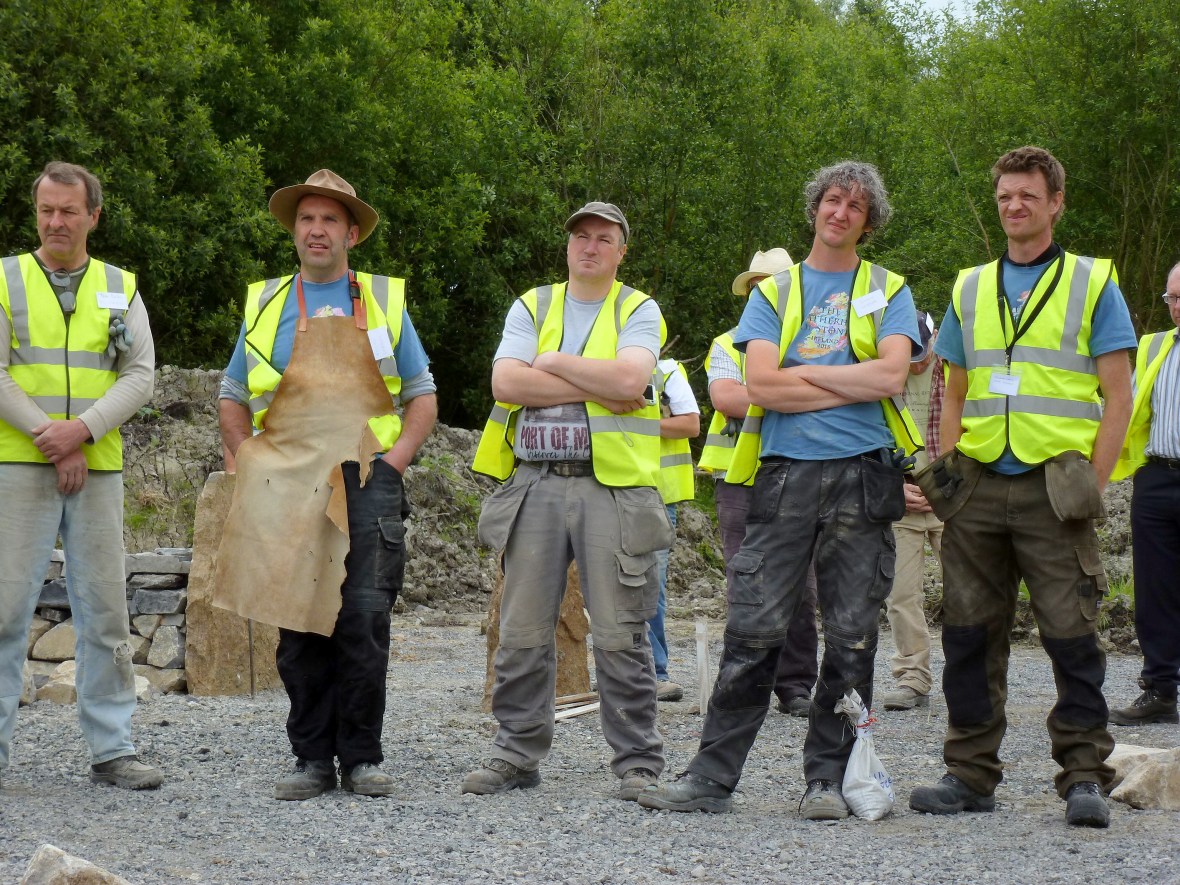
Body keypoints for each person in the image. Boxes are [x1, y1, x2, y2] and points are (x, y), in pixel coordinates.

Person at [640, 161, 921, 820]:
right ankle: (711, 775)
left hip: (863, 476)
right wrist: (849, 374)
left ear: (868, 221)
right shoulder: (775, 293)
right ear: (814, 207)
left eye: (856, 205)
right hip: (785, 473)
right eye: (832, 198)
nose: (841, 211)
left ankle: (828, 777)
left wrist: (811, 375)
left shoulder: (889, 288)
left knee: (852, 637)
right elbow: (760, 385)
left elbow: (891, 378)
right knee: (754, 630)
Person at [909, 146, 1136, 829]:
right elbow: (953, 388)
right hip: (978, 487)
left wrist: (1091, 484)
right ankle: (970, 773)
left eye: (1028, 195)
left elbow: (1119, 395)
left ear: (1055, 201)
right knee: (971, 638)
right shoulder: (971, 286)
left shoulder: (1094, 283)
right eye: (1005, 195)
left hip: (1054, 488)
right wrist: (948, 474)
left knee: (1072, 637)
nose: (1014, 205)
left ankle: (1085, 776)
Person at [216, 170, 437, 800]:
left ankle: (362, 757)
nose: (317, 230)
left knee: (364, 617)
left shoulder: (386, 303)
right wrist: (242, 459)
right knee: (300, 622)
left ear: (352, 233)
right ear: (295, 230)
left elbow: (422, 394)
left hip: (368, 479)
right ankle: (312, 758)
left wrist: (395, 460)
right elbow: (232, 395)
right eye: (307, 219)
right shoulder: (264, 305)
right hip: (286, 485)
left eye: (330, 220)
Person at [467, 201, 668, 801]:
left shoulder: (638, 307)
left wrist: (549, 364)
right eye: (581, 236)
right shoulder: (534, 304)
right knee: (522, 628)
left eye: (603, 239)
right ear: (568, 246)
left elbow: (632, 382)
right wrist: (593, 379)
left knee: (620, 631)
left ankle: (637, 763)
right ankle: (516, 752)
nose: (589, 246)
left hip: (613, 489)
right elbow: (506, 383)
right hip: (534, 483)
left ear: (621, 250)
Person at [0, 161, 163, 790]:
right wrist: (54, 437)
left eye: (69, 210)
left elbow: (141, 374)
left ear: (94, 215)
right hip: (19, 464)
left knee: (105, 611)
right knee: (6, 610)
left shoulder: (121, 285)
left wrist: (83, 431)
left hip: (96, 467)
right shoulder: (7, 280)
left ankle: (113, 749)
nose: (56, 222)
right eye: (46, 210)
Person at [699, 248, 819, 718]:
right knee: (745, 584)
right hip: (740, 481)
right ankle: (747, 684)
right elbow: (727, 398)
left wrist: (773, 393)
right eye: (755, 288)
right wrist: (794, 392)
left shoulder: (811, 344)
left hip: (799, 476)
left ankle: (795, 686)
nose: (759, 295)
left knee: (802, 589)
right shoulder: (727, 343)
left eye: (768, 287)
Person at [1106, 260, 1180, 727]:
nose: (1175, 307)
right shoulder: (1154, 345)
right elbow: (1126, 404)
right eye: (1172, 298)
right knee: (1154, 590)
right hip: (1156, 479)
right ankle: (1160, 689)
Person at [881, 310, 942, 711]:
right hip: (901, 498)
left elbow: (975, 434)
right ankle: (912, 676)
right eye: (910, 352)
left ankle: (974, 674)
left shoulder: (957, 371)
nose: (916, 361)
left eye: (922, 352)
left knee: (970, 593)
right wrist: (896, 487)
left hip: (953, 497)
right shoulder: (884, 373)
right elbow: (873, 437)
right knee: (900, 596)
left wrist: (940, 490)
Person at [648, 356, 700, 703]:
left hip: (655, 495)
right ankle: (624, 672)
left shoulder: (664, 370)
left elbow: (690, 425)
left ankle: (655, 673)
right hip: (604, 490)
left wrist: (635, 423)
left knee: (649, 588)